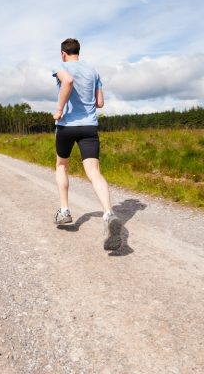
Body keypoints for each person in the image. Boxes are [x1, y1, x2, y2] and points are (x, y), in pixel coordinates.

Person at [52, 38, 122, 251]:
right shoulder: (93, 70)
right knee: (93, 172)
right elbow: (100, 102)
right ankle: (109, 213)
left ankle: (64, 211)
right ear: (78, 52)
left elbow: (68, 81)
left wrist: (59, 108)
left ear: (63, 53)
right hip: (89, 127)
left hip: (66, 126)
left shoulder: (60, 67)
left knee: (62, 165)